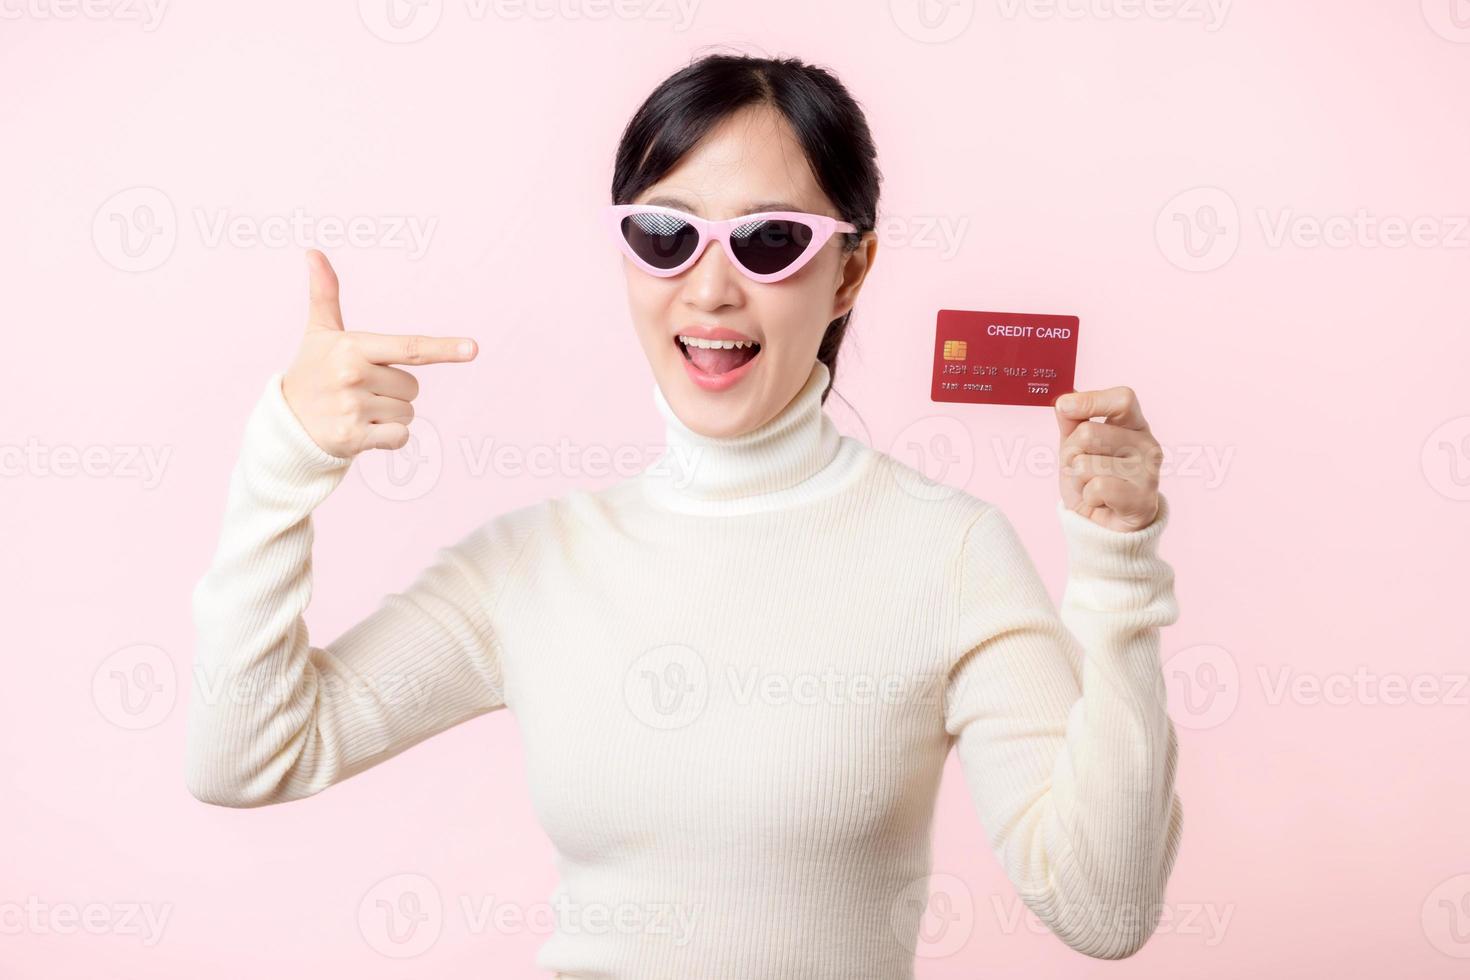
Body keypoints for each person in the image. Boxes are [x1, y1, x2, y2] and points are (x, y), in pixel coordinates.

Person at [185, 52, 1183, 978]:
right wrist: (284, 459)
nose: (710, 288)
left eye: (770, 241)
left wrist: (1119, 567)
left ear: (851, 270)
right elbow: (246, 754)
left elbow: (1104, 904)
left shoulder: (950, 550)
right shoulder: (531, 565)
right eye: (665, 234)